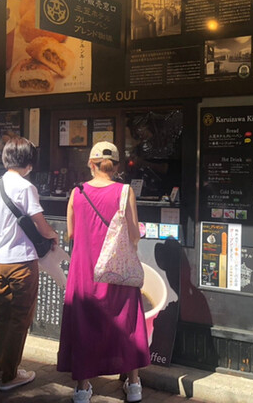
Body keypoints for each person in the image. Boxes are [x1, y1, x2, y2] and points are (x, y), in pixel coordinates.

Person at [57, 141, 150, 403]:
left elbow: (71, 233)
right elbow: (134, 234)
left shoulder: (77, 193)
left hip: (85, 271)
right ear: (117, 166)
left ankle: (82, 388)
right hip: (117, 271)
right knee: (127, 324)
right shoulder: (125, 192)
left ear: (91, 164)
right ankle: (134, 385)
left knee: (84, 325)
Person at [0, 137, 58, 390]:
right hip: (22, 262)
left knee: (3, 315)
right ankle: (10, 375)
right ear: (28, 162)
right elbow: (41, 224)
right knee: (20, 318)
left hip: (1, 259)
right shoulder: (26, 187)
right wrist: (53, 235)